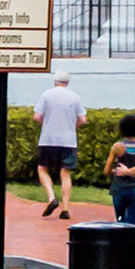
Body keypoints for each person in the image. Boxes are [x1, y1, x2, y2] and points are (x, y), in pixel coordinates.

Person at [32, 69, 85, 216]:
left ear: (55, 81)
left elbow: (37, 116)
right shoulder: (75, 97)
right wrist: (72, 126)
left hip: (48, 138)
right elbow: (83, 119)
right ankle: (66, 208)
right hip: (69, 140)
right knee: (65, 173)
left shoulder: (47, 95)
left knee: (42, 168)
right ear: (67, 82)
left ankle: (51, 198)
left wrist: (46, 123)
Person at [107, 114, 135, 227]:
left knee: (120, 221)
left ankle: (119, 243)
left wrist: (114, 172)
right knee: (131, 222)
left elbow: (106, 170)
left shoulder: (117, 147)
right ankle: (130, 243)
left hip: (119, 188)